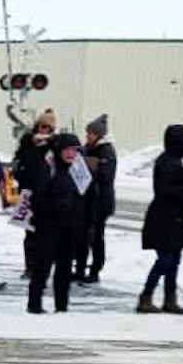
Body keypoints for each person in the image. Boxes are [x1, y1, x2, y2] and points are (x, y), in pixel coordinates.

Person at [138, 124, 183, 314]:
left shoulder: (173, 161)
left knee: (174, 260)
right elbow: (165, 190)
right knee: (165, 259)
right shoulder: (169, 163)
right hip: (165, 219)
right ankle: (147, 295)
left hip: (173, 218)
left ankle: (169, 297)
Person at [27, 132, 88, 314]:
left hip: (70, 228)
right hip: (49, 227)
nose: (71, 154)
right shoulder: (47, 168)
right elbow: (37, 198)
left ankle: (62, 306)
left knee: (65, 269)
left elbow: (87, 195)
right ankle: (34, 304)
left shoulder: (78, 171)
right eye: (67, 150)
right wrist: (56, 205)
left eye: (75, 150)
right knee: (42, 267)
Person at [13, 108, 56, 279]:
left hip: (48, 194)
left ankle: (44, 265)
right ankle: (30, 266)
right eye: (41, 126)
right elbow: (18, 165)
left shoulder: (55, 146)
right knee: (30, 233)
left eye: (47, 127)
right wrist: (23, 176)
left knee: (47, 233)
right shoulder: (27, 144)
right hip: (29, 192)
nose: (43, 129)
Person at [76, 114, 116, 284]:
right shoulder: (87, 149)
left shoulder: (106, 151)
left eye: (91, 134)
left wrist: (89, 164)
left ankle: (95, 270)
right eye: (87, 133)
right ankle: (80, 268)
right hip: (87, 201)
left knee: (96, 238)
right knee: (82, 237)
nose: (88, 137)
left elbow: (106, 176)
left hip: (100, 202)